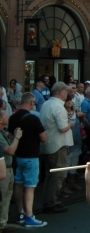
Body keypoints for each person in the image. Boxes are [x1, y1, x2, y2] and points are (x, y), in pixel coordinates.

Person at [8, 93, 47, 227]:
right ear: (31, 103)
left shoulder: (12, 118)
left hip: (17, 156)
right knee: (30, 187)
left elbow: (10, 135)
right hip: (31, 156)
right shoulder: (33, 118)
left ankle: (20, 213)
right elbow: (44, 138)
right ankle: (30, 216)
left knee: (18, 184)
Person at [40, 82, 74, 213]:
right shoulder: (58, 107)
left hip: (48, 144)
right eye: (66, 92)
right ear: (60, 92)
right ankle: (51, 202)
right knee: (57, 175)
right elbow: (63, 128)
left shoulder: (46, 104)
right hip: (58, 145)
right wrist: (71, 124)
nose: (67, 94)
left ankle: (48, 201)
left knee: (50, 175)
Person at [0, 109, 23, 232]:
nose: (8, 117)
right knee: (3, 196)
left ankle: (3, 222)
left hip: (8, 168)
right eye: (5, 115)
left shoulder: (3, 132)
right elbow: (10, 150)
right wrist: (17, 138)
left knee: (7, 196)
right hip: (3, 170)